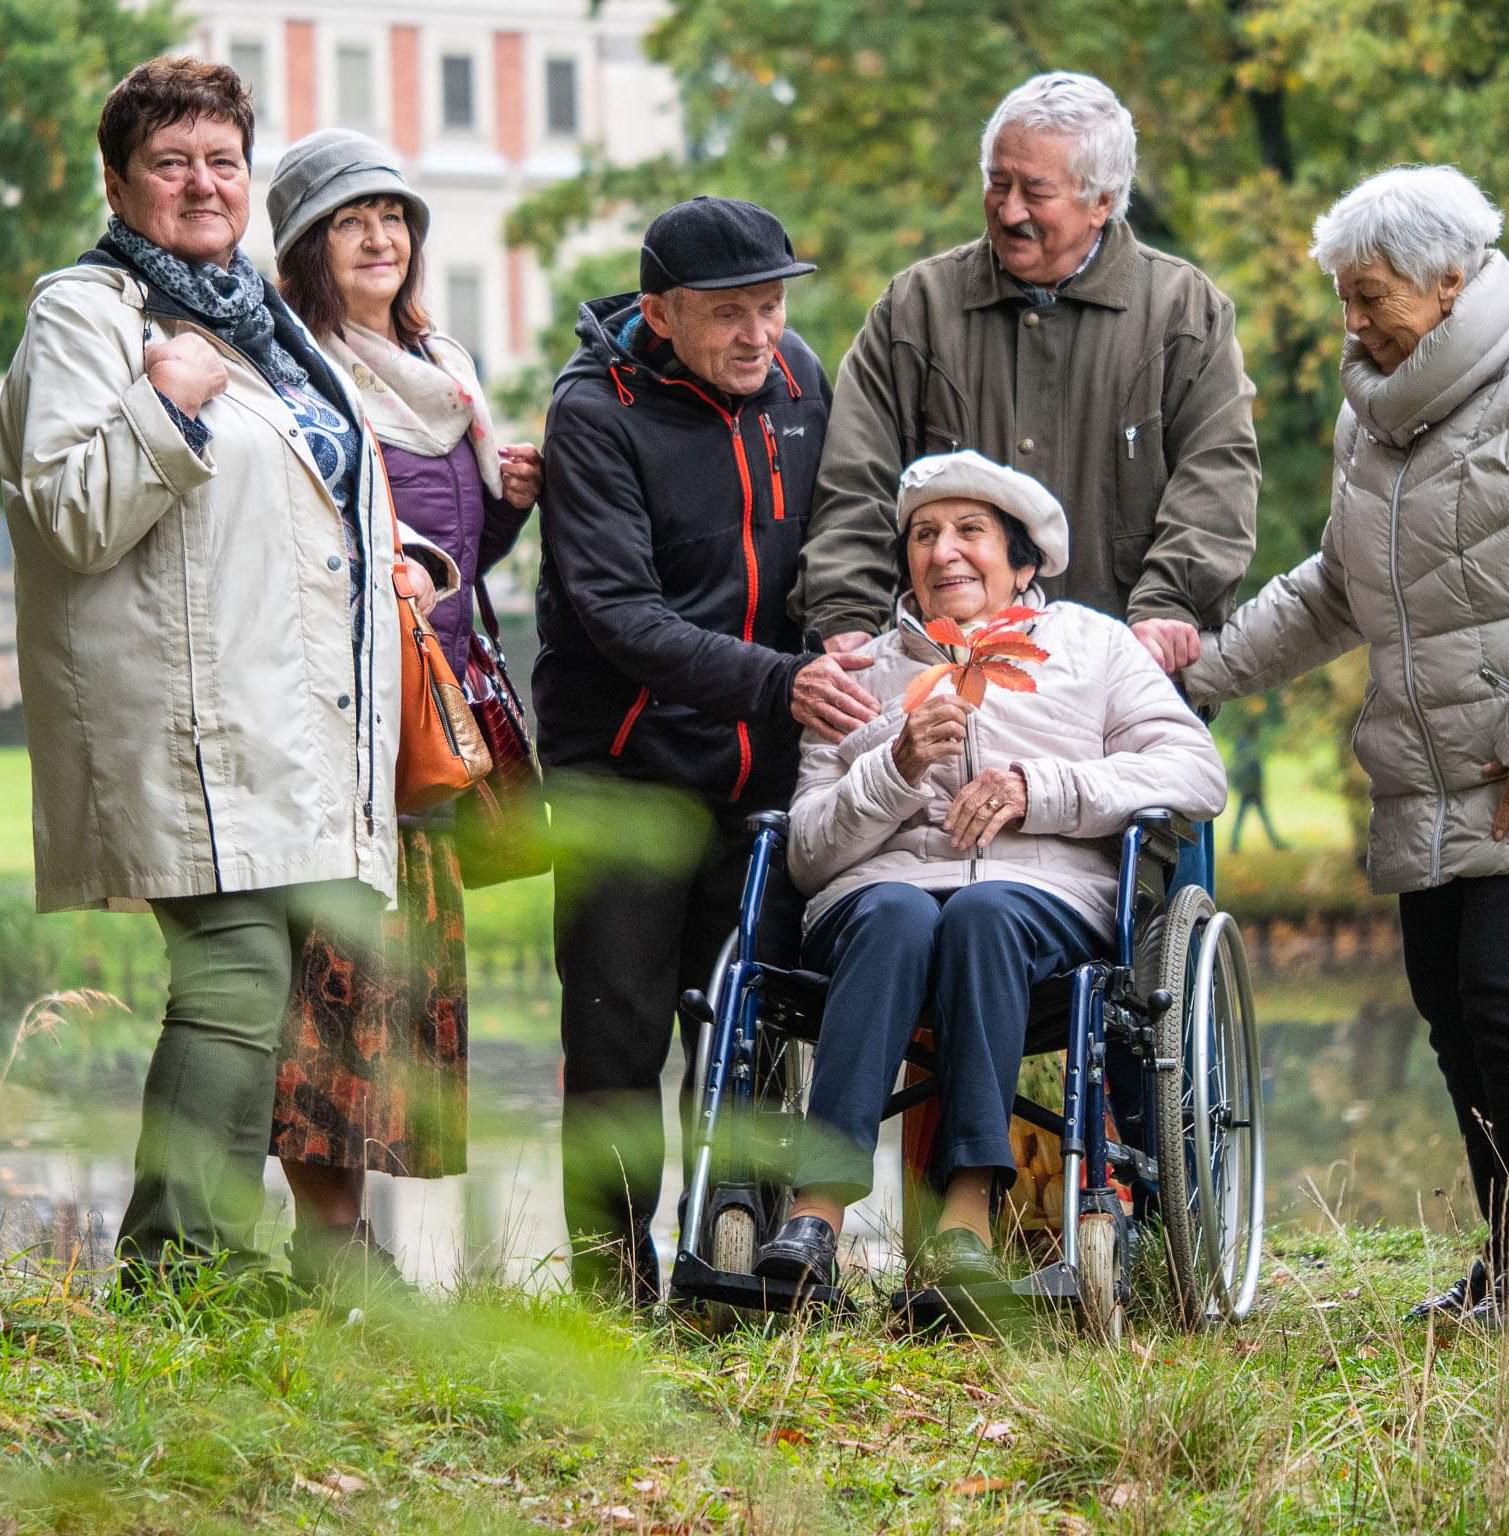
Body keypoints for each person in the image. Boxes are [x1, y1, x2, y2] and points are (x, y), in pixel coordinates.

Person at [1181, 165, 1509, 1329]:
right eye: (1344, 301)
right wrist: (1195, 674)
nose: (1349, 325)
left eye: (1368, 298)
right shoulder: (1379, 414)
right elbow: (1333, 587)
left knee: (1505, 988)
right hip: (1433, 771)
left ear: (1448, 280)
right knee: (1446, 1002)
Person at [0, 60, 428, 1299]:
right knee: (236, 973)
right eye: (171, 161)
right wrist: (167, 408)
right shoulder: (86, 315)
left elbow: (298, 496)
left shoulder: (263, 321)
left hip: (288, 720)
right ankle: (177, 1264)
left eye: (223, 160)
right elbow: (68, 514)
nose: (201, 182)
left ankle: (217, 1262)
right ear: (120, 180)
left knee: (269, 986)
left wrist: (398, 557)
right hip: (184, 721)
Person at [754, 451, 1227, 1290]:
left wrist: (1035, 789)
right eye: (925, 535)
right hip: (875, 902)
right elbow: (808, 849)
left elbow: (1195, 772)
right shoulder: (861, 671)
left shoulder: (1093, 645)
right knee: (898, 912)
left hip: (1041, 898)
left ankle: (966, 1217)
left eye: (971, 532)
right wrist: (894, 765)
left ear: (1025, 560)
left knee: (984, 916)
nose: (944, 553)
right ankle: (816, 1215)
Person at [536, 196, 879, 1302]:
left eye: (771, 306)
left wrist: (832, 652)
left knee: (749, 1032)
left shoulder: (800, 385)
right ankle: (609, 1285)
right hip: (625, 771)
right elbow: (616, 613)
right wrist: (784, 683)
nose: (757, 334)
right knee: (616, 1042)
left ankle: (730, 1270)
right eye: (728, 313)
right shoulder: (595, 411)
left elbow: (833, 546)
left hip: (766, 776)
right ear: (658, 313)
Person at [262, 129, 544, 1289]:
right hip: (345, 713)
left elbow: (458, 565)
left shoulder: (440, 361)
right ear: (305, 248)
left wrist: (506, 501)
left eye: (394, 216)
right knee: (336, 972)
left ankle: (355, 1245)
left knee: (401, 979)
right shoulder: (295, 369)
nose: (380, 237)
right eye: (349, 220)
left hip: (435, 702)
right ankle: (323, 1243)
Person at [797, 72, 1260, 676]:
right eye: (997, 183)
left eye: (1035, 191)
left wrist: (1171, 602)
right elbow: (856, 478)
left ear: (1102, 200)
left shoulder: (1185, 312)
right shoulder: (916, 308)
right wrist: (844, 613)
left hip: (1124, 676)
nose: (1009, 209)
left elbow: (1216, 474)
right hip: (948, 682)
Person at [1228, 718, 1287, 853]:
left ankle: (1234, 844)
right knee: (1259, 817)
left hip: (1248, 788)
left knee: (1243, 817)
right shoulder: (1249, 746)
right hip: (1251, 789)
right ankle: (1275, 843)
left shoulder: (1243, 744)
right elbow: (1253, 770)